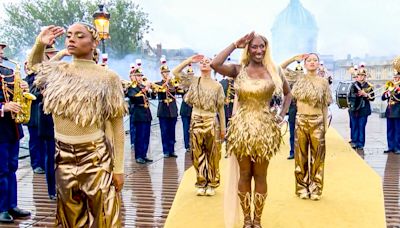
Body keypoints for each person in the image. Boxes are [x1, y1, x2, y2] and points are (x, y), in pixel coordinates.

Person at [28, 24, 127, 227]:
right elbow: (34, 66)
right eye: (69, 36)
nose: (72, 39)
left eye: (79, 36)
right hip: (62, 155)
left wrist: (118, 168)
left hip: (95, 156)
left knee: (104, 216)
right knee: (68, 217)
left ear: (94, 43)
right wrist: (40, 43)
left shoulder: (108, 77)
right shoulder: (58, 70)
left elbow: (117, 126)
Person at [211, 32, 291, 228]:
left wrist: (281, 115)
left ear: (266, 48)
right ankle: (247, 220)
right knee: (245, 174)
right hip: (242, 130)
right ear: (248, 48)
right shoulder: (239, 70)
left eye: (262, 46)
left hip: (265, 130)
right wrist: (234, 44)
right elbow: (215, 64)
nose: (258, 50)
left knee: (261, 175)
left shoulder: (275, 71)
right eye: (254, 47)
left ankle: (258, 220)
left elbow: (289, 94)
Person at [173, 54, 226, 196]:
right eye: (202, 62)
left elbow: (220, 108)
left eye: (207, 61)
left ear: (212, 65)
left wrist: (223, 128)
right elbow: (175, 73)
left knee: (213, 154)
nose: (204, 63)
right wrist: (189, 60)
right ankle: (201, 182)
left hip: (211, 121)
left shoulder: (217, 86)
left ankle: (212, 183)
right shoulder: (193, 81)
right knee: (197, 153)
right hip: (196, 119)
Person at [291, 53, 332, 201]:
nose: (312, 63)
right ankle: (302, 187)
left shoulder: (323, 82)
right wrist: (293, 59)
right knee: (300, 156)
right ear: (305, 63)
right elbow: (279, 71)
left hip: (318, 121)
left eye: (315, 60)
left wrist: (325, 124)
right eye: (309, 60)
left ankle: (316, 188)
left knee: (318, 157)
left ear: (319, 64)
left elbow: (325, 105)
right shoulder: (298, 79)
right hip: (301, 120)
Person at [0, 41, 31, 223]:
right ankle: (1, 207)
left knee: (12, 168)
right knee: (1, 170)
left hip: (12, 128)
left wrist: (23, 89)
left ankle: (12, 204)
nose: (2, 52)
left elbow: (13, 93)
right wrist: (3, 106)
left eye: (2, 49)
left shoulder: (7, 71)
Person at [280, 55, 306, 160]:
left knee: (304, 132)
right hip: (292, 108)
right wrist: (293, 59)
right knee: (292, 131)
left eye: (300, 73)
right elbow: (280, 68)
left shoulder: (307, 79)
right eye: (296, 73)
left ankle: (303, 152)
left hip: (305, 109)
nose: (298, 75)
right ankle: (293, 152)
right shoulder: (289, 78)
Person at [126, 67, 153, 164]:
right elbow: (133, 97)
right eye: (138, 76)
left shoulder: (142, 86)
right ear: (134, 77)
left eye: (141, 76)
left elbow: (151, 96)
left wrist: (149, 90)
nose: (140, 77)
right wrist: (145, 90)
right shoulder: (132, 87)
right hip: (138, 112)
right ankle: (138, 156)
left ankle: (144, 155)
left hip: (146, 113)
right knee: (139, 136)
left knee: (146, 135)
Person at [154, 58, 179, 158]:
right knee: (164, 131)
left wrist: (170, 82)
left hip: (172, 110)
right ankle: (166, 151)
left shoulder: (173, 83)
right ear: (161, 74)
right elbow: (160, 91)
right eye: (164, 72)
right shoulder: (158, 84)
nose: (166, 74)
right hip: (163, 110)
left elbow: (175, 90)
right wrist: (167, 82)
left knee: (172, 131)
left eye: (167, 72)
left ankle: (172, 150)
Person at [347, 69, 374, 150]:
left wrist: (365, 94)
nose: (360, 76)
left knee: (361, 127)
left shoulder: (369, 86)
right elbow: (349, 95)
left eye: (362, 75)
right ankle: (354, 142)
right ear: (357, 76)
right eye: (359, 75)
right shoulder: (352, 85)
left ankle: (361, 144)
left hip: (363, 109)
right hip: (354, 109)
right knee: (354, 126)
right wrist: (357, 94)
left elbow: (372, 98)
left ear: (365, 76)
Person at [383, 58, 400, 154]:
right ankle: (390, 146)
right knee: (389, 130)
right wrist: (388, 92)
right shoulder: (390, 85)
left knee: (398, 131)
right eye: (394, 77)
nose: (395, 79)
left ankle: (397, 147)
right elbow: (383, 97)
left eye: (396, 77)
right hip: (389, 111)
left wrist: (395, 90)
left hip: (398, 111)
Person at [177, 66, 193, 153]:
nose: (190, 76)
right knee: (186, 128)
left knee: (193, 129)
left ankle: (193, 144)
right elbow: (179, 90)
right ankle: (187, 145)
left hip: (193, 110)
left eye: (191, 75)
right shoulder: (183, 85)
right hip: (185, 110)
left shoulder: (195, 85)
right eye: (189, 75)